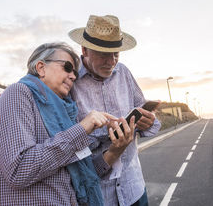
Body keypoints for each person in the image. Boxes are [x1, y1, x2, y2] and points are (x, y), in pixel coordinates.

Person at [0, 42, 135, 206]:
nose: (73, 76)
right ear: (41, 67)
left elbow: (84, 173)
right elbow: (19, 170)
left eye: (75, 73)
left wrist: (116, 150)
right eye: (67, 67)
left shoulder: (65, 114)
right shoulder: (17, 94)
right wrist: (82, 128)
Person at [69, 15, 161, 206]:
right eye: (103, 54)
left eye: (116, 54)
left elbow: (147, 117)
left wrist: (149, 121)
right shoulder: (69, 82)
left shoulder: (124, 72)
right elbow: (67, 142)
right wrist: (106, 136)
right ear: (84, 50)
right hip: (99, 196)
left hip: (134, 188)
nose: (111, 62)